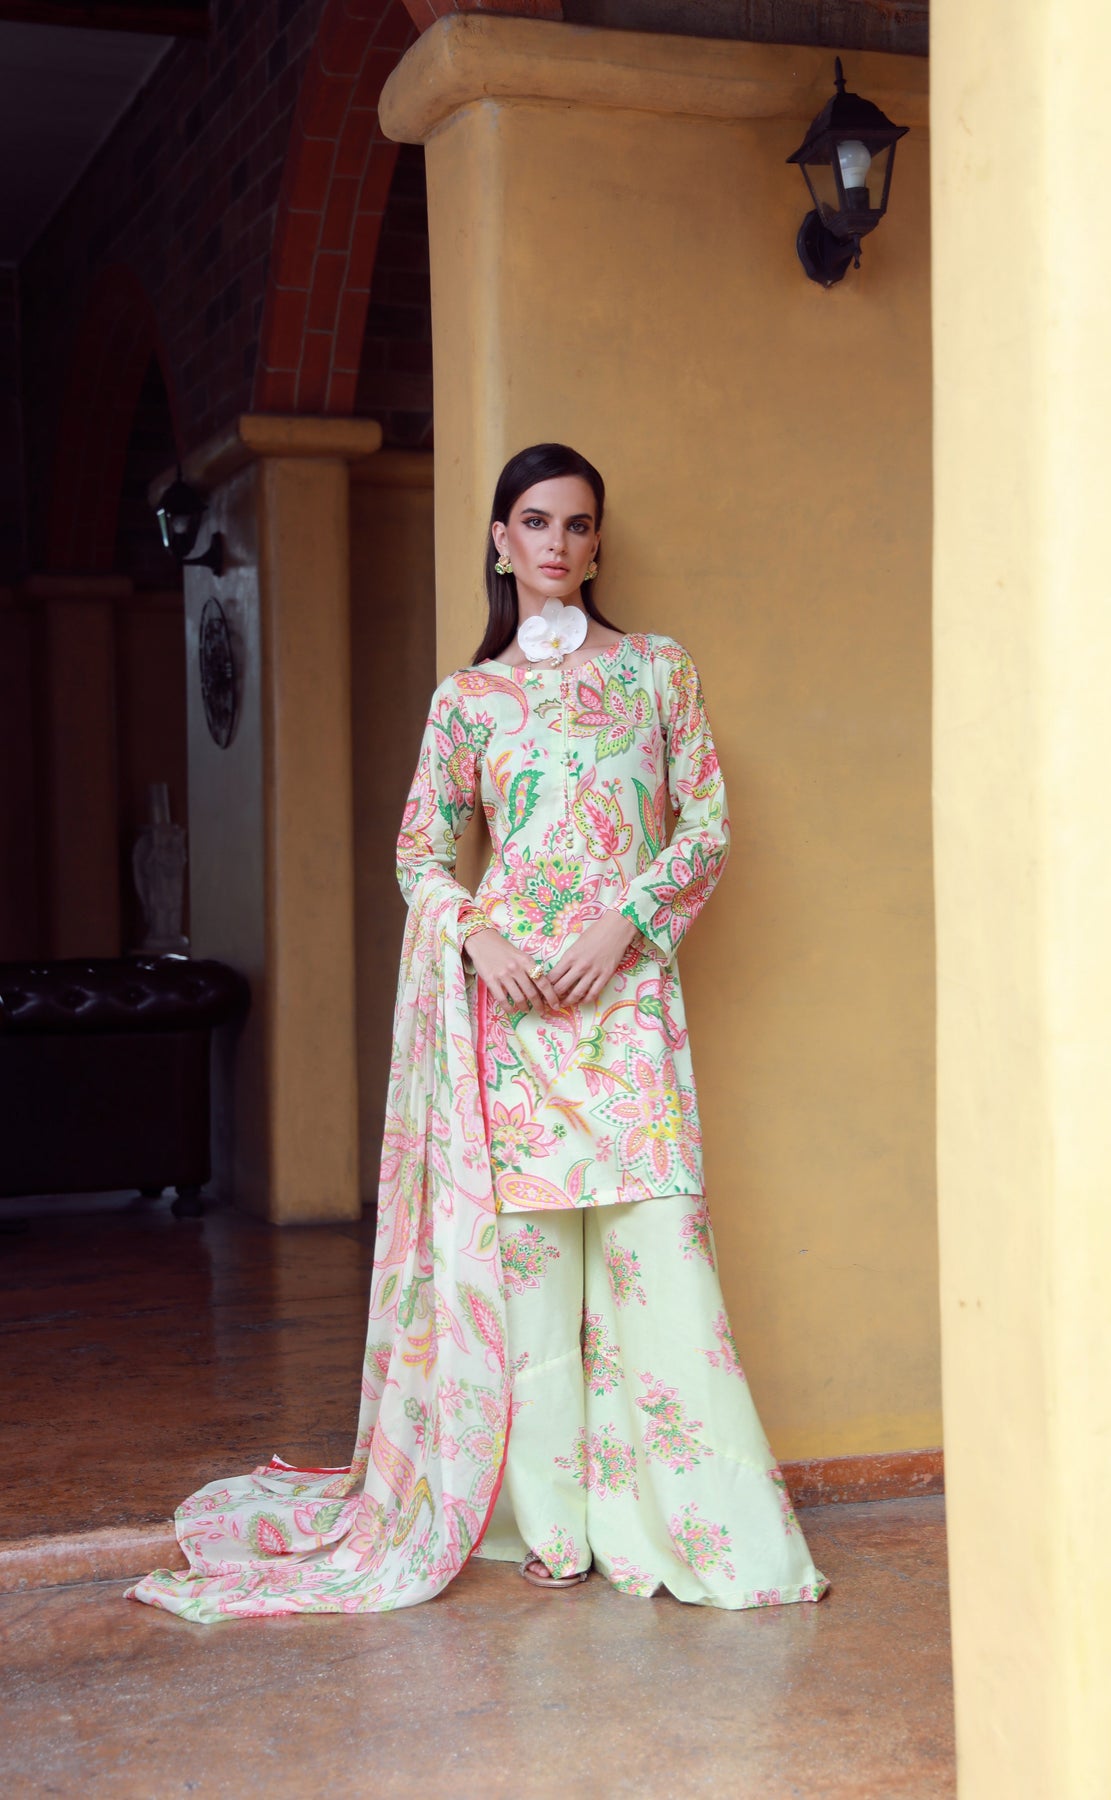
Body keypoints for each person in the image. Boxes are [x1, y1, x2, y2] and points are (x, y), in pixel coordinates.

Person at [129, 443, 827, 1621]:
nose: (558, 544)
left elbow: (704, 826)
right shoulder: (467, 700)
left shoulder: (657, 671)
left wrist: (626, 924)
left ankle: (697, 1532)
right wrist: (479, 939)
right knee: (531, 1279)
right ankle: (549, 1528)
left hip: (625, 1004)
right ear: (501, 541)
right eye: (536, 522)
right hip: (513, 1016)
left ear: (598, 544)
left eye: (579, 525)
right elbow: (421, 851)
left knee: (659, 1256)